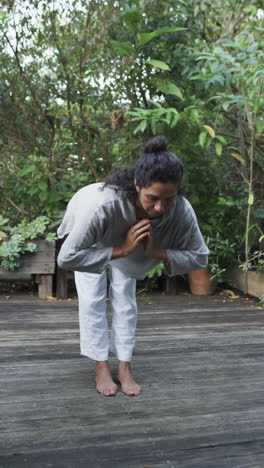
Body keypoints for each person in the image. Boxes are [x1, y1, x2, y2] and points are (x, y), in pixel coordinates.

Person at [57, 136, 209, 397]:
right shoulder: (100, 206)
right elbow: (67, 257)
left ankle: (124, 367)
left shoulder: (181, 210)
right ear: (138, 185)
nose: (159, 208)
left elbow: (199, 257)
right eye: (152, 198)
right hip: (94, 240)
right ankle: (102, 366)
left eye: (168, 199)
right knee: (92, 297)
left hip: (132, 244)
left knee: (125, 299)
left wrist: (155, 252)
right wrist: (122, 250)